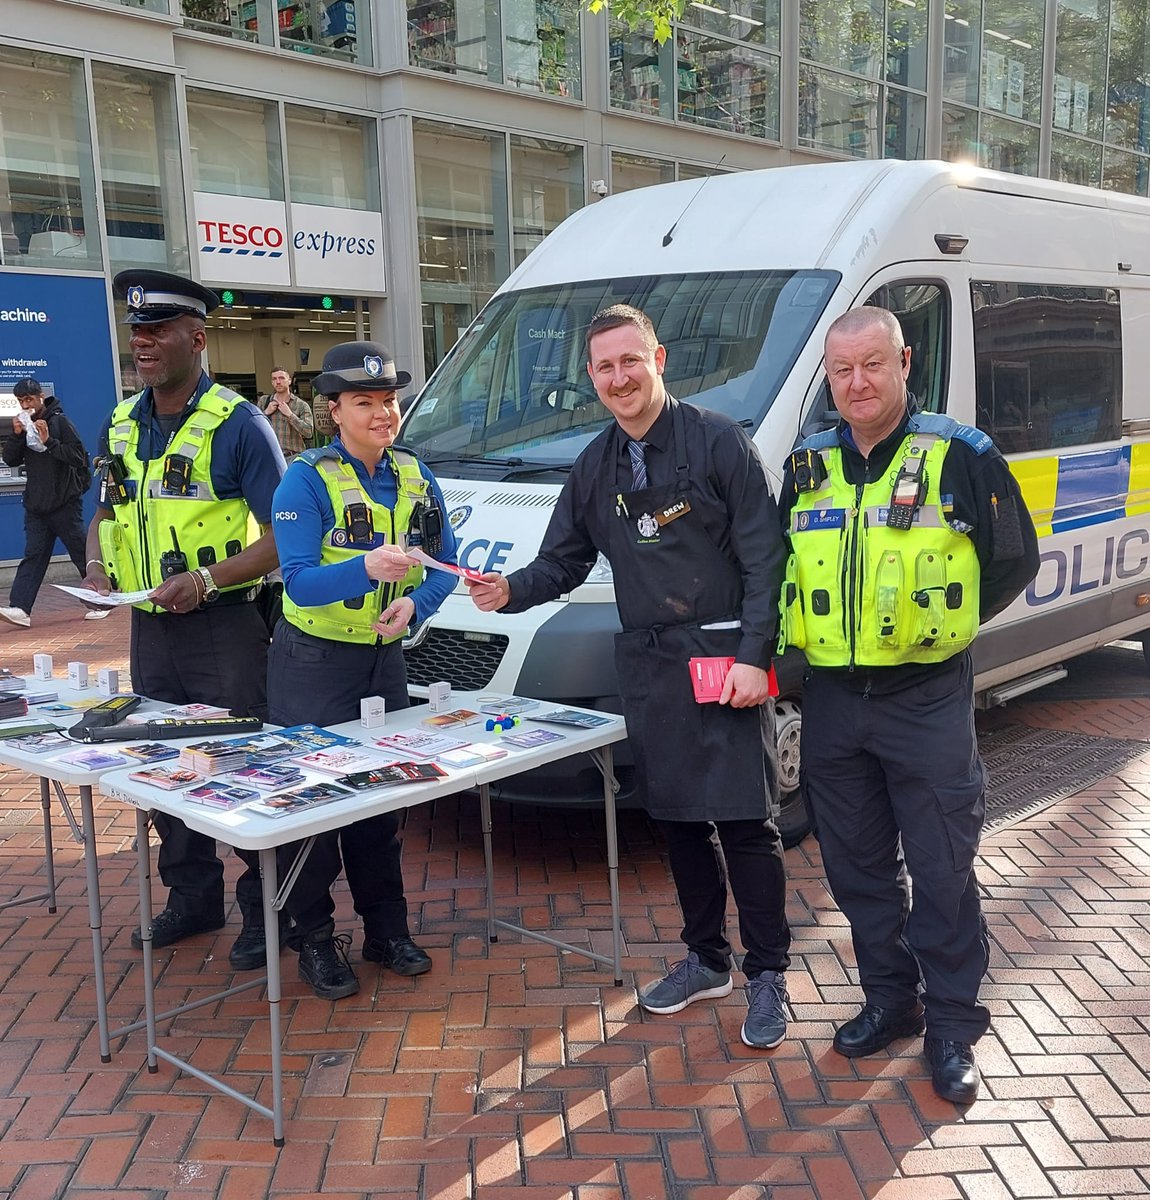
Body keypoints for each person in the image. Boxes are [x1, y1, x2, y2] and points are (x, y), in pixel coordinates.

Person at [465, 304, 792, 1049]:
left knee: (745, 823)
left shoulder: (718, 444)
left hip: (721, 658)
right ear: (591, 377)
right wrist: (509, 589)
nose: (619, 378)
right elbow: (564, 560)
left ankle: (767, 972)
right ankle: (707, 959)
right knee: (677, 822)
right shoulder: (595, 466)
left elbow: (765, 558)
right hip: (650, 666)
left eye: (630, 361)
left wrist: (753, 657)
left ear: (659, 359)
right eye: (605, 367)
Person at [778, 306, 1040, 1105]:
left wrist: (941, 634)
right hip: (832, 701)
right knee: (857, 872)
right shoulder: (808, 463)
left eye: (873, 364)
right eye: (843, 369)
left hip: (924, 698)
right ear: (829, 374)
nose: (857, 382)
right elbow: (778, 564)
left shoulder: (961, 455)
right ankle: (892, 1001)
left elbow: (1011, 560)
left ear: (904, 363)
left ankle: (954, 1022)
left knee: (942, 868)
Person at [82, 269, 286, 970]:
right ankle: (193, 898)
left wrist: (207, 579)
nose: (143, 342)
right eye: (136, 331)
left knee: (244, 764)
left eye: (158, 330)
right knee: (167, 764)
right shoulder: (120, 422)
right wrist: (98, 567)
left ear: (196, 339)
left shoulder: (239, 424)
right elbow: (107, 512)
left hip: (225, 630)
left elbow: (286, 534)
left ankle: (268, 912)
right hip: (150, 629)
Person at [268, 340, 458, 1000]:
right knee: (315, 809)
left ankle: (387, 930)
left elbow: (445, 565)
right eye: (365, 403)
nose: (383, 414)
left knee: (380, 804)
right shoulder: (305, 479)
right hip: (312, 666)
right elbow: (297, 584)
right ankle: (316, 941)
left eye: (390, 401)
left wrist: (413, 604)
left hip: (381, 664)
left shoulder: (413, 473)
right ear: (333, 411)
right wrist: (367, 568)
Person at [0, 377, 108, 628]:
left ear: (40, 397)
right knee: (33, 555)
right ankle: (20, 609)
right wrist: (16, 436)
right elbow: (11, 460)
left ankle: (101, 600)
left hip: (64, 503)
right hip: (37, 505)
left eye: (29, 399)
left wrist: (49, 441)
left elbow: (78, 458)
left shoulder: (60, 421)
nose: (25, 405)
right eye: (20, 401)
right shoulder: (24, 426)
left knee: (81, 551)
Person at [260, 367, 314, 462]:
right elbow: (253, 428)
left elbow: (309, 432)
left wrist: (290, 415)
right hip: (270, 458)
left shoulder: (301, 405)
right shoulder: (264, 402)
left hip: (293, 457)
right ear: (272, 382)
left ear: (289, 381)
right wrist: (266, 413)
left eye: (281, 378)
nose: (278, 382)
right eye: (274, 379)